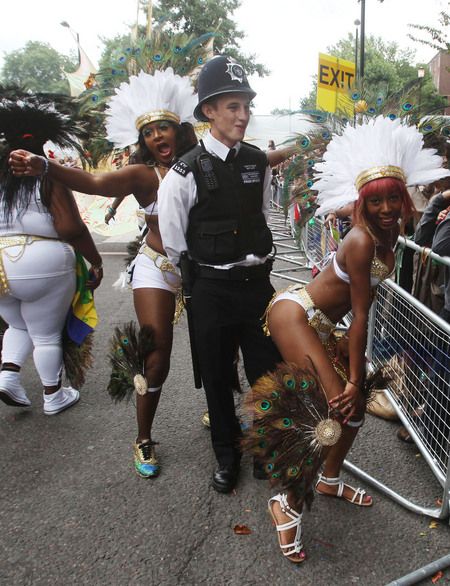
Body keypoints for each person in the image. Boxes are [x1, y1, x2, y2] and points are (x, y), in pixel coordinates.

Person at [257, 115, 450, 563]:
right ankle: (286, 501)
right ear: (364, 202)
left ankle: (328, 477)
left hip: (324, 324)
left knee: (356, 413)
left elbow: (371, 211)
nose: (385, 208)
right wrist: (352, 379)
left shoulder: (392, 229)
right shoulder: (363, 241)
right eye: (375, 200)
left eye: (393, 199)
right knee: (333, 408)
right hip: (298, 316)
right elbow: (362, 315)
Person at [8, 69, 198, 478]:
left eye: (164, 128)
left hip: (200, 272)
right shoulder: (144, 175)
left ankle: (219, 411)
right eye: (149, 133)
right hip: (156, 267)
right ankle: (144, 437)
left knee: (213, 345)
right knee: (156, 353)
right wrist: (47, 167)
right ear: (142, 141)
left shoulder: (203, 166)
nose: (157, 138)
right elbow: (94, 182)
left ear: (180, 129)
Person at [158, 55, 282, 494]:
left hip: (256, 286)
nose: (243, 115)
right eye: (232, 106)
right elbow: (174, 240)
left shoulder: (257, 162)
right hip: (210, 287)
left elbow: (262, 215)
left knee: (266, 370)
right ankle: (227, 457)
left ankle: (265, 448)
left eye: (246, 105)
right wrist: (201, 279)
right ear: (209, 111)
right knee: (215, 374)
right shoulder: (184, 171)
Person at [0, 90, 103, 414]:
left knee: (18, 325)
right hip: (42, 262)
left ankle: (8, 376)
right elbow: (70, 227)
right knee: (45, 334)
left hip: (0, 265)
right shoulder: (48, 174)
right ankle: (53, 395)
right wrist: (95, 261)